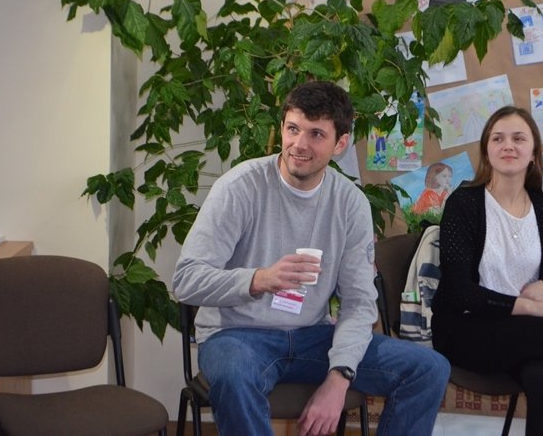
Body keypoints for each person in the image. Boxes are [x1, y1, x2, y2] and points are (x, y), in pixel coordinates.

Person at [172, 81, 450, 436]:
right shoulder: (239, 187)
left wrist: (339, 377)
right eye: (292, 129)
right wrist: (258, 279)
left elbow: (359, 302)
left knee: (429, 369)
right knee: (234, 376)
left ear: (340, 144)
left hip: (313, 337)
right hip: (237, 335)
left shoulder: (350, 203)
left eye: (316, 134)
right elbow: (186, 280)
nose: (299, 144)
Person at [431, 106, 543, 436]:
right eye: (498, 139)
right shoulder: (464, 203)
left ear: (533, 152)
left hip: (524, 335)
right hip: (465, 329)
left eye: (518, 138)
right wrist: (531, 307)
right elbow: (458, 291)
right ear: (487, 149)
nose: (508, 146)